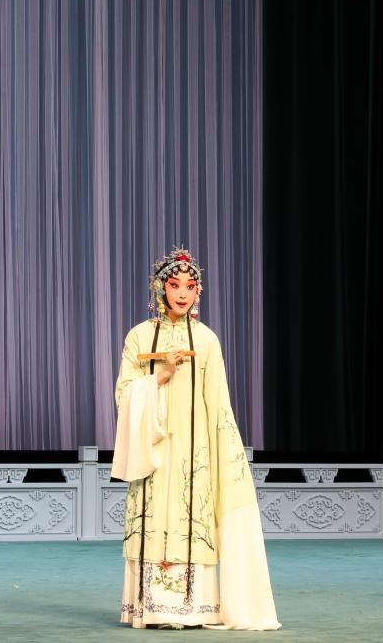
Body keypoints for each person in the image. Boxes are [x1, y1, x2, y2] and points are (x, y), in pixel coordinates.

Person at [112, 247, 280, 630]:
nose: (182, 294)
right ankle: (150, 609)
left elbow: (219, 403)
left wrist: (226, 455)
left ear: (198, 292)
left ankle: (194, 608)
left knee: (192, 516)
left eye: (190, 286)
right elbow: (124, 393)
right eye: (175, 285)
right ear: (161, 288)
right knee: (153, 517)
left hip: (195, 451)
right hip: (153, 448)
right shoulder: (140, 336)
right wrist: (160, 376)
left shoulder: (206, 341)